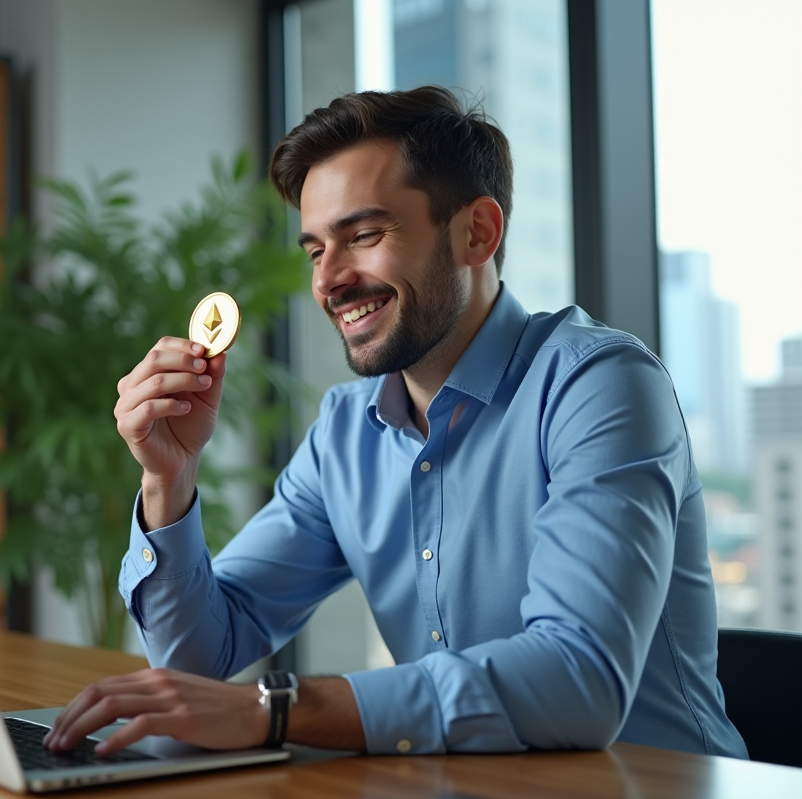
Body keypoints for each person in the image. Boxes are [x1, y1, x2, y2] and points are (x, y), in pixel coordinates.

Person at [43, 86, 748, 759]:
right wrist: (168, 479)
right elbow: (198, 660)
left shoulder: (598, 385)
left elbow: (577, 680)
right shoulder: (345, 434)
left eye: (364, 234)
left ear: (477, 233)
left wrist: (275, 709)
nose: (328, 280)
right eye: (316, 250)